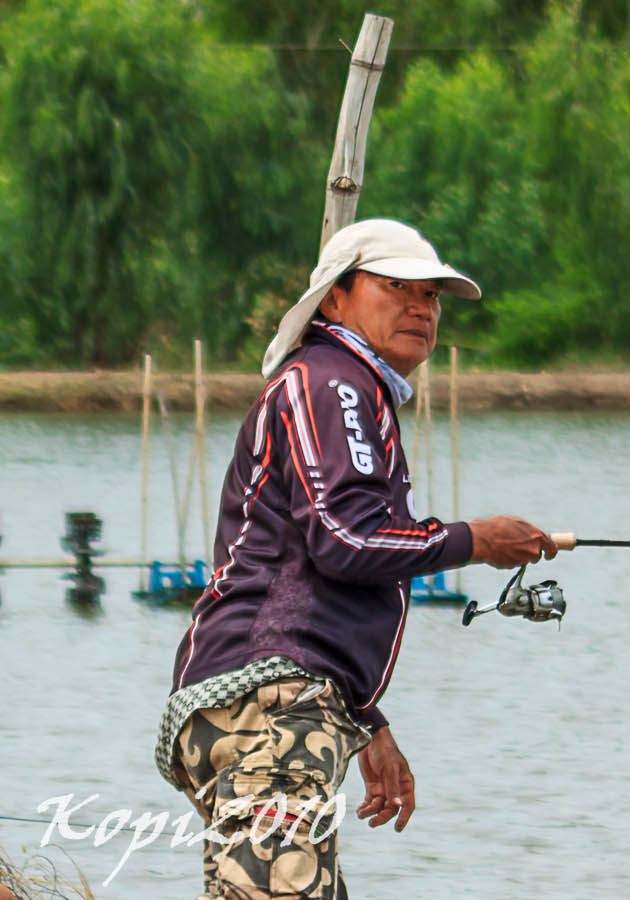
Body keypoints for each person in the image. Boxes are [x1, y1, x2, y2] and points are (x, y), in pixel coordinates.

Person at [154, 218, 558, 899]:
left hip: (272, 704)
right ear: (334, 299)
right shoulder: (333, 383)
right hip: (266, 708)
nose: (420, 307)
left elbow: (315, 570)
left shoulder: (346, 387)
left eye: (432, 297)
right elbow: (347, 540)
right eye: (396, 285)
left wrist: (363, 719)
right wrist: (476, 540)